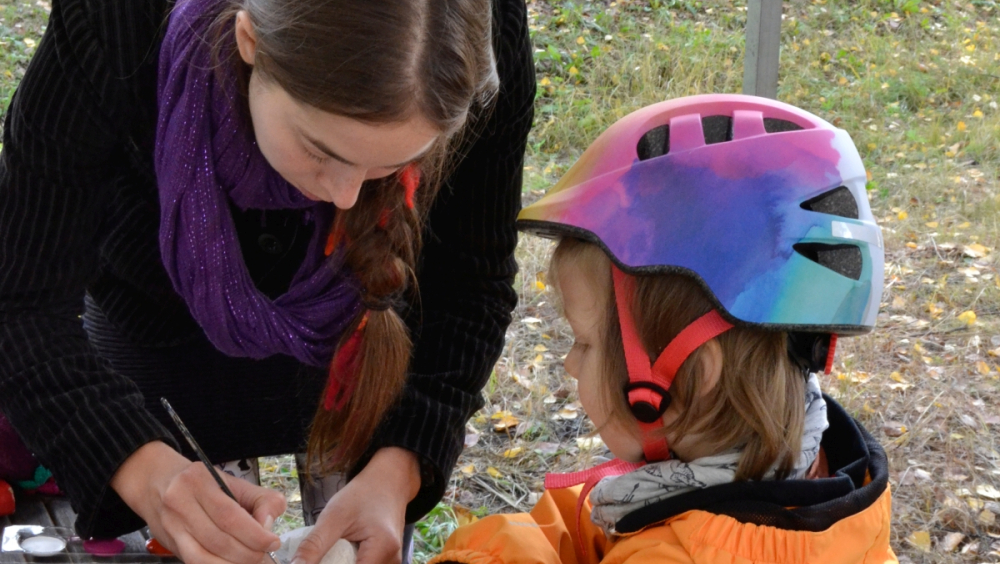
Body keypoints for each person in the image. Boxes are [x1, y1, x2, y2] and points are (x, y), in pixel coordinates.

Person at [0, 0, 534, 561]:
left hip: (368, 354)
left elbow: (473, 284)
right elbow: (20, 300)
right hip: (152, 327)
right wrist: (141, 467)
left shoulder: (476, 36)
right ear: (249, 41)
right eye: (320, 150)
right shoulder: (117, 18)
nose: (346, 197)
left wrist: (400, 466)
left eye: (392, 164)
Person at [431, 94, 897, 564]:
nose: (570, 363)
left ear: (692, 373)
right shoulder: (819, 483)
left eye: (585, 342)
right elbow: (588, 526)